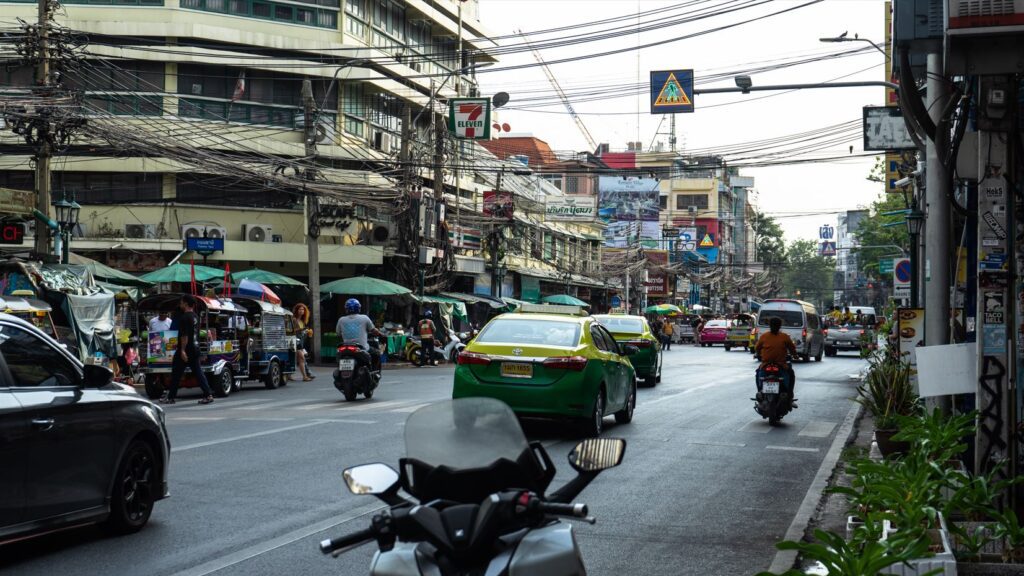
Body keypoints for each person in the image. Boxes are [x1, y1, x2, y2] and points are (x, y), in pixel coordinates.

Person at [162, 294, 214, 405]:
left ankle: (171, 397)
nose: (180, 304)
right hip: (195, 347)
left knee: (176, 373)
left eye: (181, 302)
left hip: (186, 349)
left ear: (185, 303)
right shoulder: (195, 316)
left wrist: (182, 350)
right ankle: (208, 394)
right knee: (198, 372)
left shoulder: (184, 318)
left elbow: (184, 336)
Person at [754, 316, 798, 395]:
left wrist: (758, 354)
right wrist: (795, 356)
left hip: (767, 364)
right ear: (779, 326)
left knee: (758, 374)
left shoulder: (764, 336)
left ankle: (759, 392)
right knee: (791, 374)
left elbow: (757, 348)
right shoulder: (784, 336)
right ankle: (790, 394)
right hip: (780, 365)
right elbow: (792, 349)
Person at [337, 298, 383, 371]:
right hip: (361, 348)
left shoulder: (341, 320)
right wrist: (380, 334)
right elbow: (374, 330)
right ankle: (374, 373)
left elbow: (338, 334)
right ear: (358, 308)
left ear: (346, 309)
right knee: (377, 353)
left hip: (345, 347)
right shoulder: (364, 318)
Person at [291, 303, 314, 382]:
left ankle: (290, 375)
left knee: (297, 359)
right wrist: (302, 330)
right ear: (296, 310)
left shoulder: (303, 321)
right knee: (302, 358)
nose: (302, 311)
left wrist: (307, 332)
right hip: (294, 341)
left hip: (300, 342)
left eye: (303, 309)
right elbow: (291, 331)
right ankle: (305, 376)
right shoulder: (293, 319)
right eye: (300, 309)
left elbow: (302, 333)